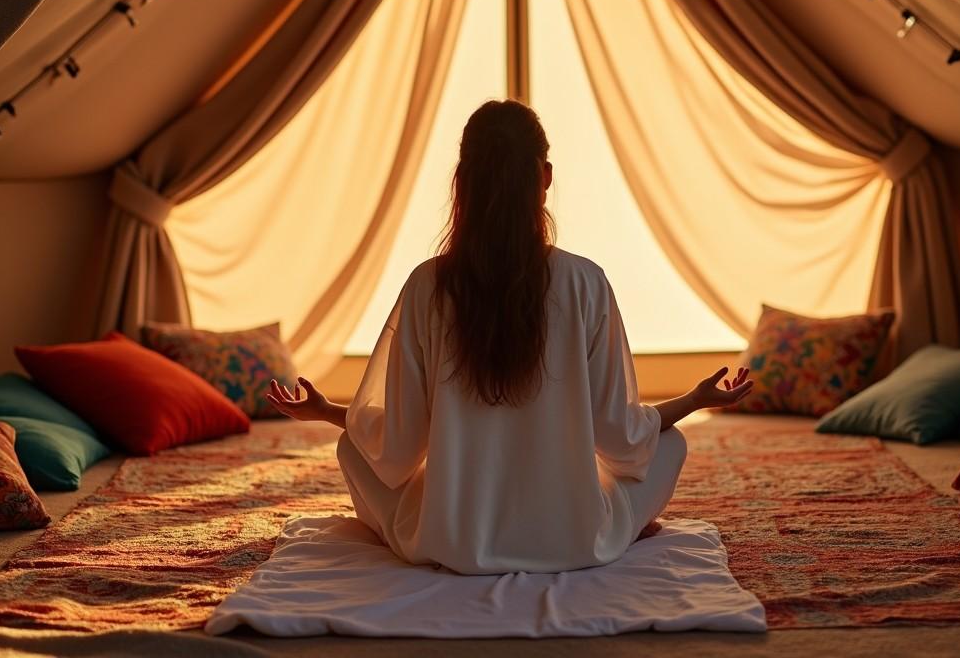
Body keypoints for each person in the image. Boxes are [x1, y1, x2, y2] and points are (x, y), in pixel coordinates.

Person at [267, 99, 753, 575]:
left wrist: (326, 412)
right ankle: (625, 524)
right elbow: (622, 439)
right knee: (671, 446)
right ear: (544, 178)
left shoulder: (426, 286)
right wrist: (695, 399)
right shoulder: (585, 282)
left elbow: (395, 446)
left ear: (462, 184)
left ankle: (409, 533)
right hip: (574, 539)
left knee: (353, 447)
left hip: (453, 541)